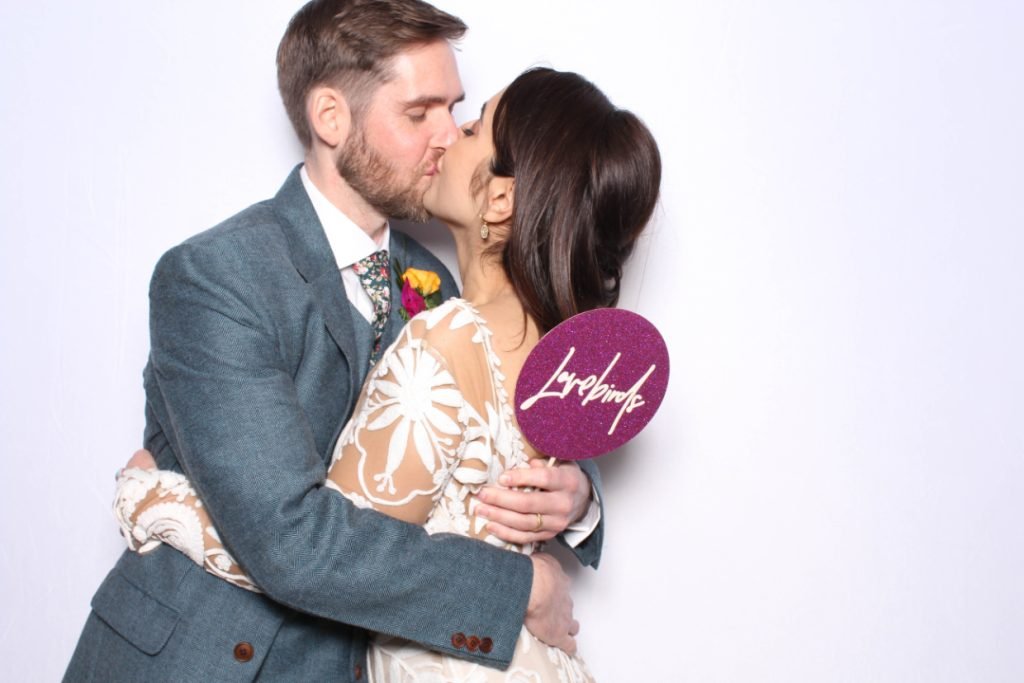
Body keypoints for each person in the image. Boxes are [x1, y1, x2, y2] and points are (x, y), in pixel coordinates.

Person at [64, 2, 601, 681]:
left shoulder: (439, 284)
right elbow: (290, 540)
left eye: (455, 109)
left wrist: (578, 495)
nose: (448, 135)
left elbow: (486, 412)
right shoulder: (217, 276)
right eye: (419, 113)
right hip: (204, 658)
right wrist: (518, 586)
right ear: (330, 118)